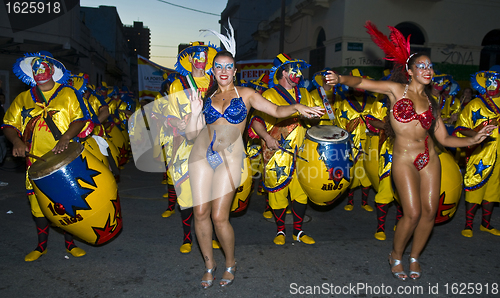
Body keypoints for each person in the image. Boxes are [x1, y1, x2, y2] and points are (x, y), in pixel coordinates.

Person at [325, 21, 495, 280]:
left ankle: (414, 256)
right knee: (412, 212)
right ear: (410, 70)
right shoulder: (396, 90)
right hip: (404, 158)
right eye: (421, 65)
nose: (428, 70)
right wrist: (340, 78)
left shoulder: (432, 100)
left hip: (429, 157)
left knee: (429, 211)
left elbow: (445, 139)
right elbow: (364, 82)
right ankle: (396, 254)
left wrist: (476, 139)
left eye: (430, 66)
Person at [186, 32, 323, 286]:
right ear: (213, 71)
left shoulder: (247, 94)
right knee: (200, 213)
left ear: (235, 71)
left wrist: (296, 108)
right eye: (219, 66)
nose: (224, 70)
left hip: (231, 158)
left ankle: (229, 262)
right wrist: (194, 114)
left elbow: (275, 110)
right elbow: (193, 135)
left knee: (219, 217)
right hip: (203, 156)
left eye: (229, 66)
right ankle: (209, 264)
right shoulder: (207, 98)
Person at [2, 51, 91, 261]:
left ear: (52, 69)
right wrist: (16, 141)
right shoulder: (23, 98)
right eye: (35, 68)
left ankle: (70, 244)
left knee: (67, 202)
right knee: (38, 206)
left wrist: (66, 137)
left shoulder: (68, 94)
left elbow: (80, 119)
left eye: (43, 66)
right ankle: (41, 246)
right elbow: (8, 125)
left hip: (65, 160)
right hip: (35, 162)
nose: (39, 70)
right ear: (31, 74)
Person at [250, 53, 320, 246]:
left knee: (301, 193)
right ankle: (280, 230)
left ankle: (298, 231)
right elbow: (256, 121)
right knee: (277, 193)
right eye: (293, 69)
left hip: (302, 152)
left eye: (298, 69)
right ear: (282, 72)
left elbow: (315, 118)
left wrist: (316, 116)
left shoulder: (305, 93)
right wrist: (266, 137)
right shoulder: (269, 95)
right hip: (276, 153)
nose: (298, 73)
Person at [163, 41, 222, 254]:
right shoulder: (178, 84)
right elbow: (168, 114)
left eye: (204, 54)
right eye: (196, 55)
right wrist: (176, 122)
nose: (201, 58)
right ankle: (188, 237)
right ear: (188, 59)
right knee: (187, 194)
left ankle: (213, 235)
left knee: (213, 192)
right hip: (186, 144)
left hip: (213, 143)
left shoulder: (216, 81)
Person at [454, 70, 500, 238]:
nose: (492, 86)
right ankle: (468, 225)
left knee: (493, 191)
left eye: (496, 82)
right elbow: (460, 128)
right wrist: (475, 136)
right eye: (489, 83)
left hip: (499, 156)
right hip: (480, 154)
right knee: (474, 186)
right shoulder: (475, 104)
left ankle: (486, 225)